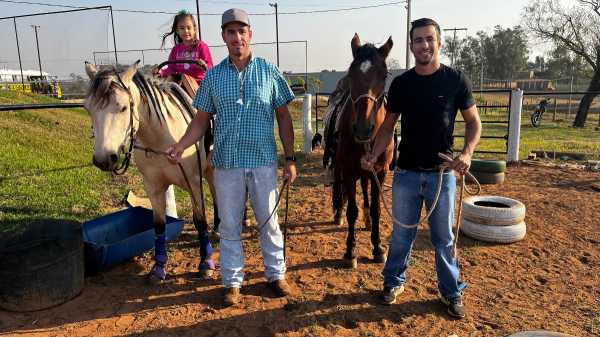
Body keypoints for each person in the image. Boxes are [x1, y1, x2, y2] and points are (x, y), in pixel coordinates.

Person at [165, 8, 297, 306]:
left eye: (242, 31)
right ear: (223, 37)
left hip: (263, 162)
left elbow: (284, 117)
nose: (237, 37)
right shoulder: (212, 76)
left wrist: (289, 159)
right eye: (230, 32)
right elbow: (200, 120)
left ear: (250, 34)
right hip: (226, 164)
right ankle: (233, 281)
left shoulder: (269, 71)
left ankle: (276, 274)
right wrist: (181, 145)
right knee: (229, 226)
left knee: (269, 222)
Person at [361, 18, 482, 318]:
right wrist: (375, 154)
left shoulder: (456, 81)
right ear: (412, 46)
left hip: (442, 175)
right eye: (418, 40)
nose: (424, 45)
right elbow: (387, 127)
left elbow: (473, 123)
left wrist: (467, 153)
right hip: (406, 174)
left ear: (439, 43)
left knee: (443, 238)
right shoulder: (401, 84)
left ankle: (450, 291)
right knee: (401, 234)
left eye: (429, 39)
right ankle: (393, 282)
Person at [153, 10, 213, 84]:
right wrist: (161, 72)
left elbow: (210, 66)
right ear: (177, 31)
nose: (185, 31)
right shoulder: (175, 49)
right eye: (182, 28)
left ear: (194, 29)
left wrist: (203, 66)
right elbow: (171, 69)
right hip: (180, 84)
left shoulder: (201, 46)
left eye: (188, 28)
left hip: (199, 83)